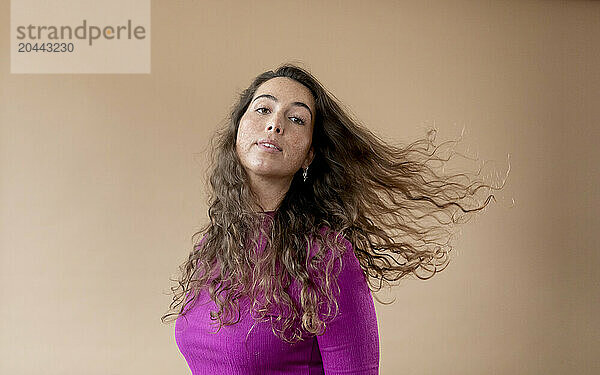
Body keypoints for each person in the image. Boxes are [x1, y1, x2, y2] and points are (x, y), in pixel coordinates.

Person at [162, 63, 505, 374]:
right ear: (238, 130)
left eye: (296, 119)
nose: (274, 123)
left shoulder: (326, 256)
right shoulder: (215, 245)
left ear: (309, 153)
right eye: (263, 108)